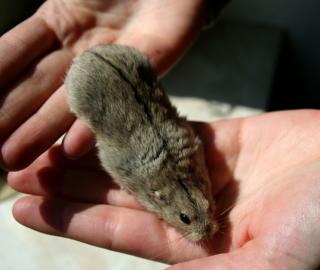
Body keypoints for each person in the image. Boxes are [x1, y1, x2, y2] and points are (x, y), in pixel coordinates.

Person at [1, 1, 320, 269]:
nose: (204, 226)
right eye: (186, 218)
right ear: (159, 199)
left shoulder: (192, 167)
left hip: (124, 64)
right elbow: (113, 159)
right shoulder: (146, 178)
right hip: (96, 82)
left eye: (202, 213)